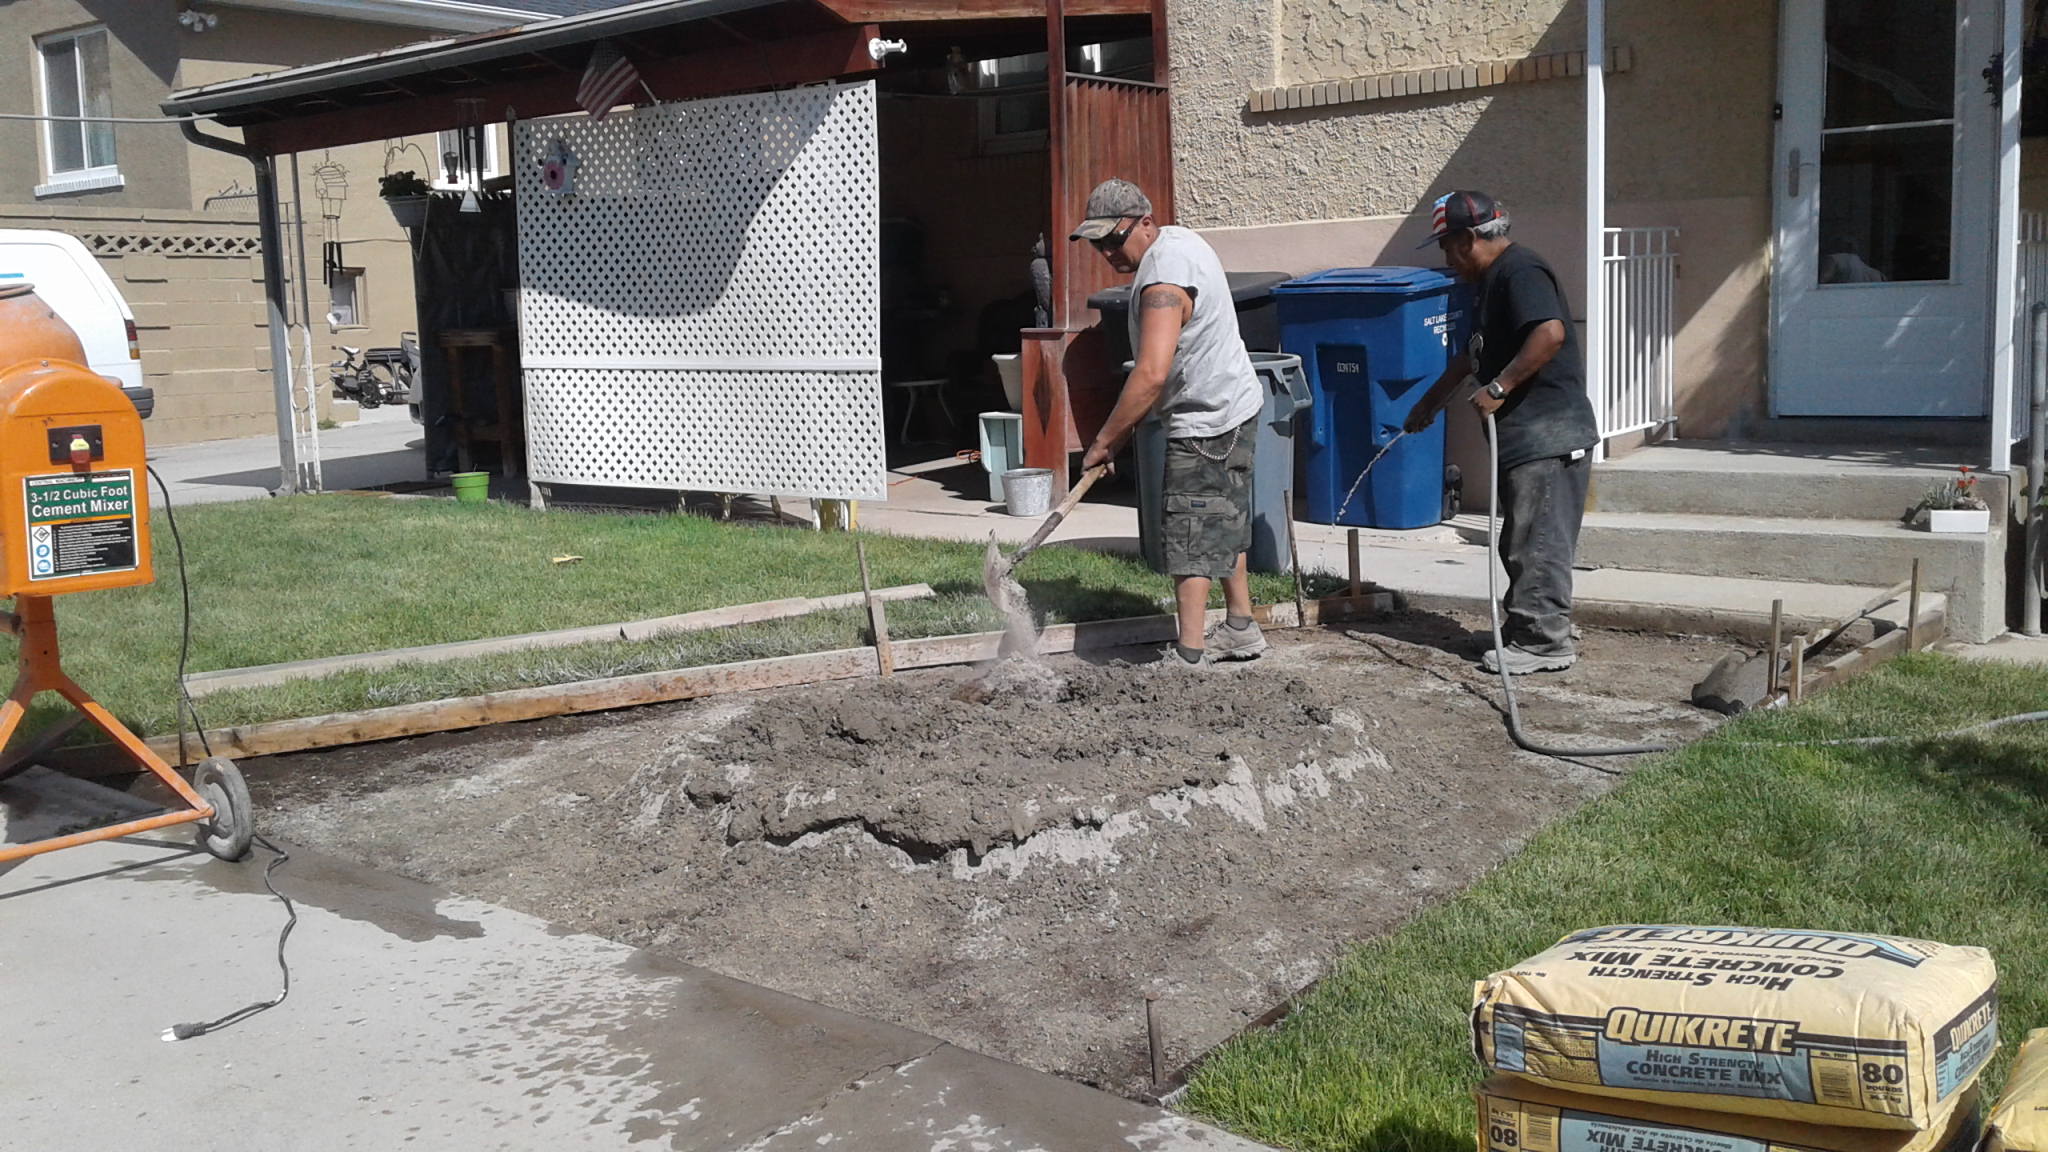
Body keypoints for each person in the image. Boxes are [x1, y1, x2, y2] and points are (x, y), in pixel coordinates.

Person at [1402, 191, 1599, 673]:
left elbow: (1549, 333)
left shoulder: (1521, 271)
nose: (1447, 259)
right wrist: (1429, 404)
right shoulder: (1491, 282)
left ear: (1469, 239)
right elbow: (1473, 354)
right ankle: (1522, 628)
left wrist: (1500, 385)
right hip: (1527, 439)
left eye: (1447, 247)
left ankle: (1544, 641)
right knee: (1520, 538)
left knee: (1540, 539)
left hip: (1548, 437)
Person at [1074, 178, 1266, 667]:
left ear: (1145, 222)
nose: (1108, 251)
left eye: (1115, 239)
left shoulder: (1163, 280)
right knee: (1221, 521)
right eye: (1098, 243)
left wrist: (1103, 443)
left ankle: (1189, 656)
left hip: (1207, 422)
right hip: (1234, 404)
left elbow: (1150, 374)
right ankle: (1241, 628)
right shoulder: (1178, 241)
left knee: (1190, 533)